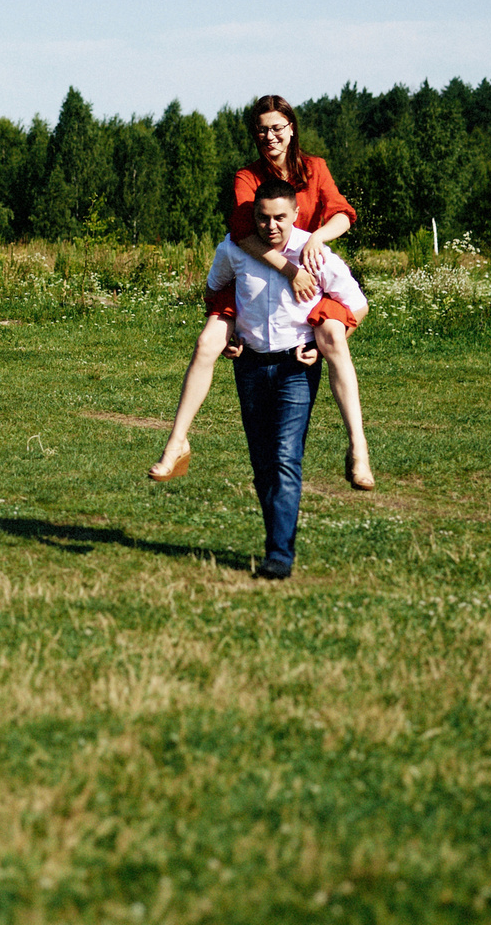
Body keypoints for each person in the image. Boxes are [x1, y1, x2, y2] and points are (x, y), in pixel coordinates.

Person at [147, 94, 375, 489]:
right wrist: (289, 270)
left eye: (277, 127)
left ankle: (358, 449)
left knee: (334, 336)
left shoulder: (315, 169)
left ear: (291, 128)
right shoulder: (247, 176)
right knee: (206, 343)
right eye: (262, 129)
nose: (269, 136)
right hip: (255, 275)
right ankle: (176, 442)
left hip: (309, 273)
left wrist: (315, 241)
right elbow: (245, 235)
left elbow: (342, 214)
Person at [208, 178, 368, 580]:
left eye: (281, 217)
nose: (272, 226)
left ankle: (280, 554)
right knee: (262, 463)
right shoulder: (234, 250)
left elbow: (357, 304)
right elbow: (215, 293)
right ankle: (276, 540)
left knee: (285, 457)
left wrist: (330, 342)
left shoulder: (315, 255)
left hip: (296, 367)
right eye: (263, 218)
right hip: (250, 366)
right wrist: (227, 336)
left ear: (296, 214)